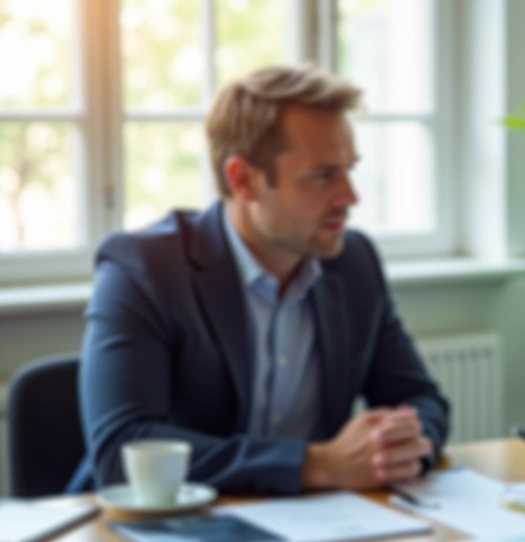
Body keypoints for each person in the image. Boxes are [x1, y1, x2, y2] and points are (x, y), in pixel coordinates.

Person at [74, 65, 448, 495]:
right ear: (244, 180)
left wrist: (398, 445)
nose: (350, 197)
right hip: (168, 538)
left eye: (350, 169)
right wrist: (316, 465)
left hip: (317, 529)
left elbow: (421, 398)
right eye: (324, 175)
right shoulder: (144, 268)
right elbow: (123, 449)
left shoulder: (353, 261)